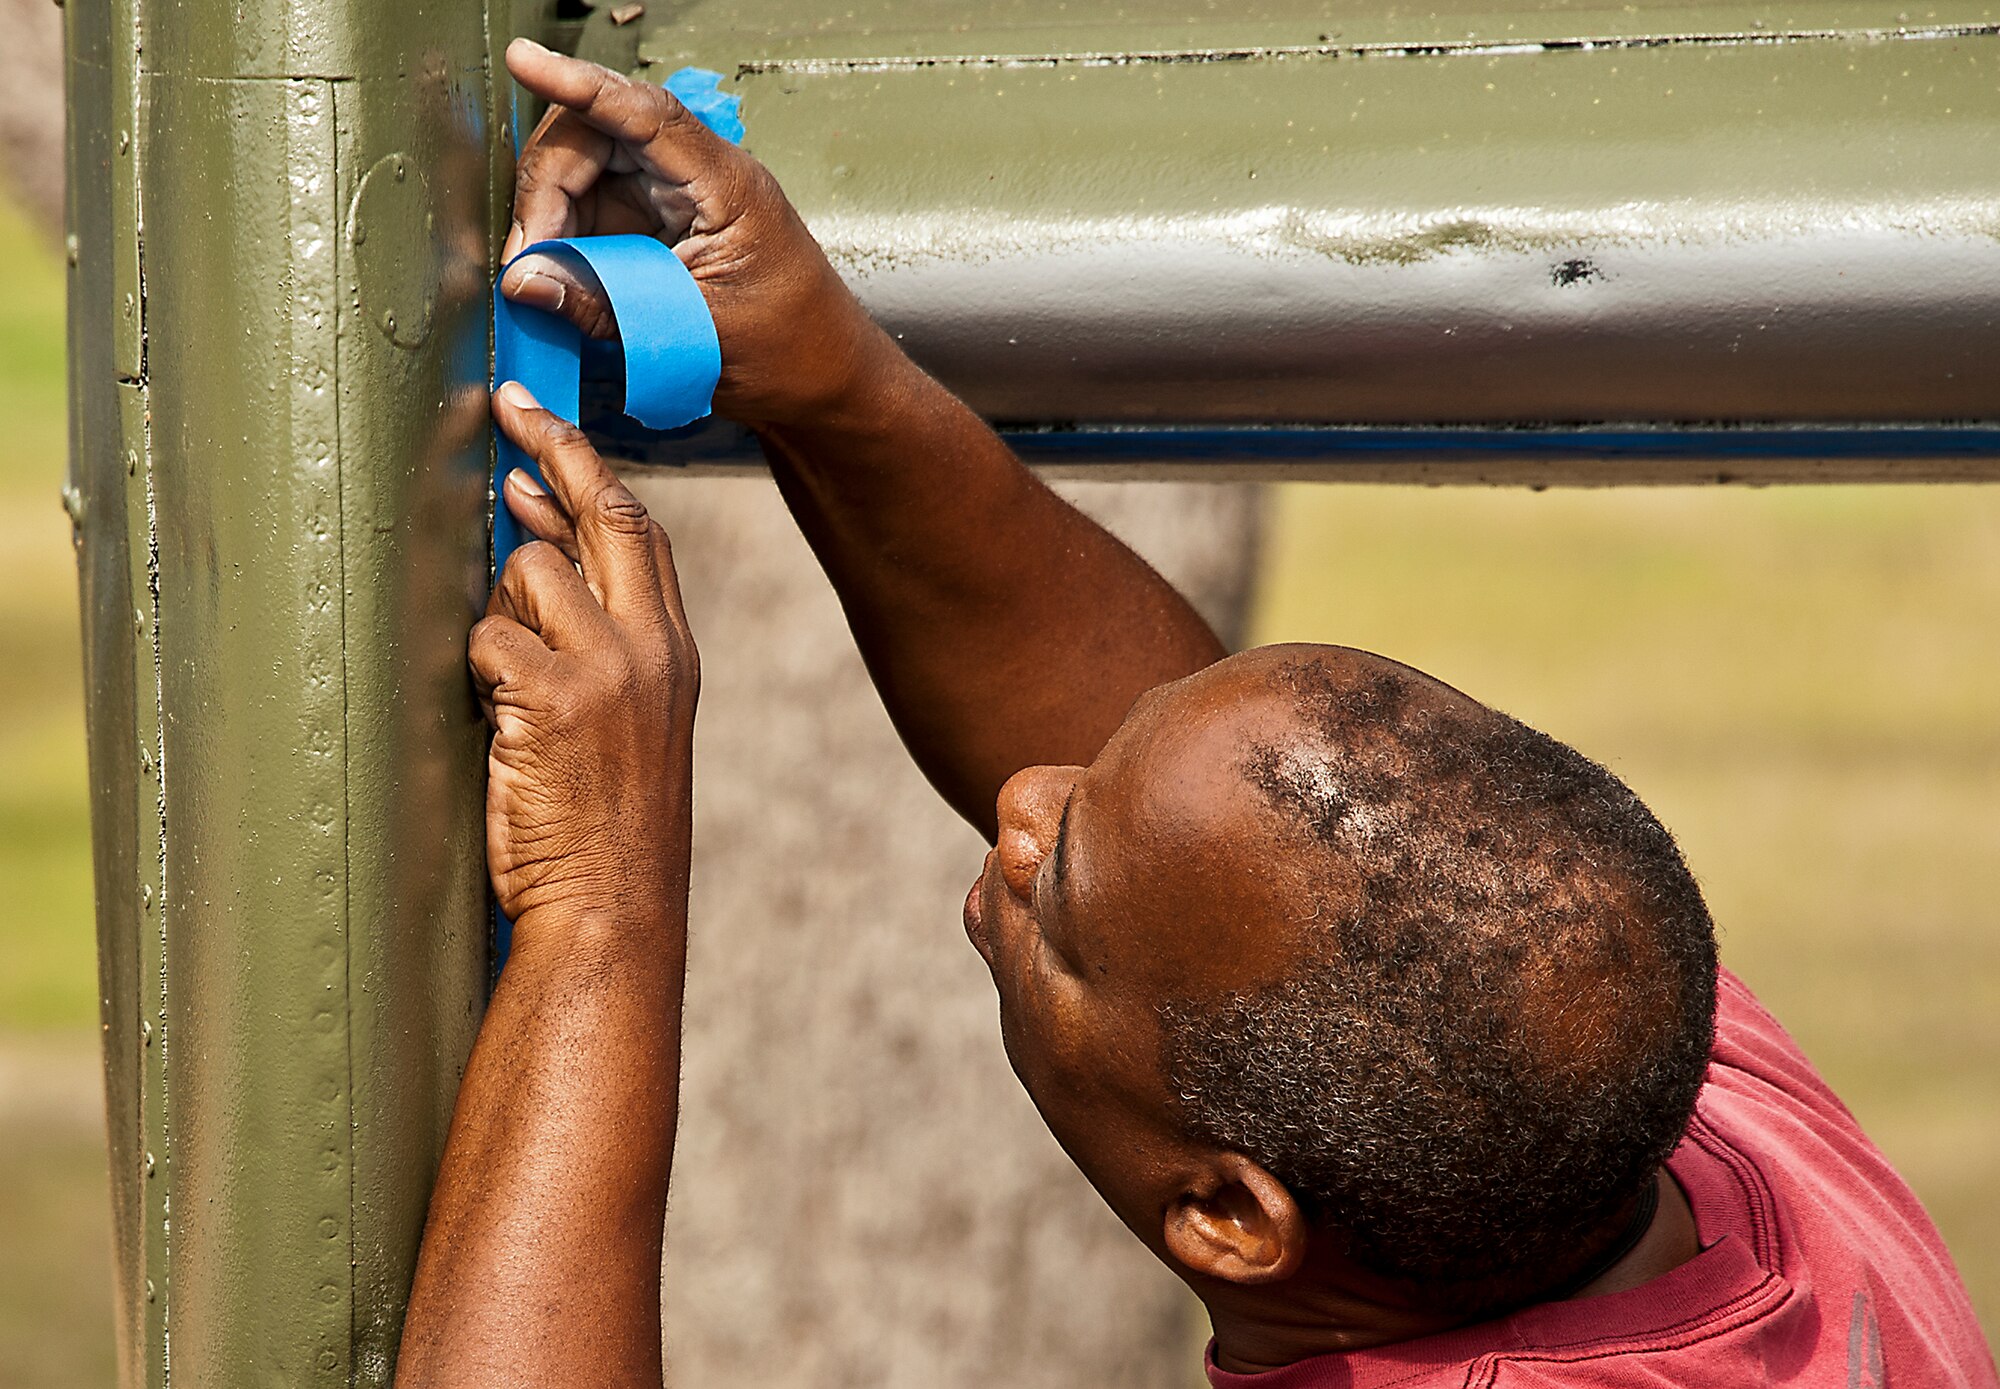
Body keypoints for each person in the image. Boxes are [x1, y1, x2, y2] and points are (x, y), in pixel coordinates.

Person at [392, 39, 1999, 1389]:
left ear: (1229, 1213)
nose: (1020, 802)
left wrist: (602, 911)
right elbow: (1176, 788)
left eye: (1067, 884)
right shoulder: (1672, 1133)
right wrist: (832, 376)